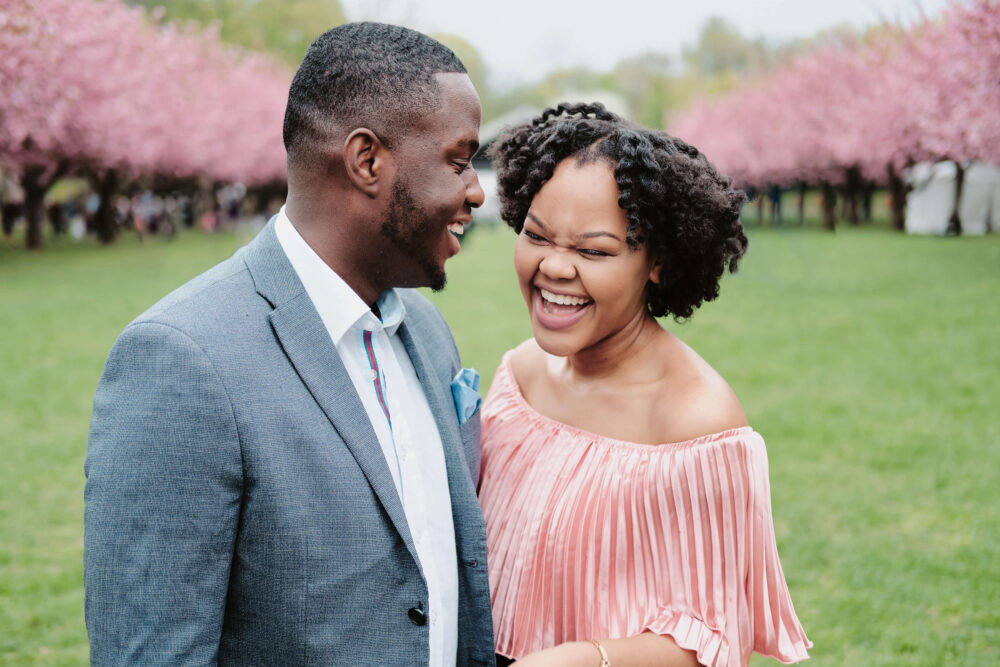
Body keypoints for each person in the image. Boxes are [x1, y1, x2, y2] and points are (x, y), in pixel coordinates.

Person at [84, 23, 495, 666]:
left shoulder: (427, 330)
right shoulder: (183, 360)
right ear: (367, 161)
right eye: (459, 160)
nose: (475, 191)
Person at [479, 103, 811, 667]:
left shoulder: (696, 421)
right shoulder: (519, 376)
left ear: (656, 262)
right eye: (537, 236)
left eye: (593, 251)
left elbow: (710, 637)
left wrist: (580, 659)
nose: (555, 268)